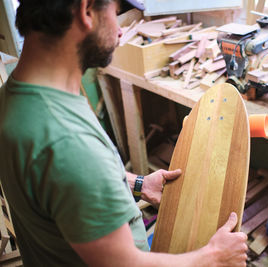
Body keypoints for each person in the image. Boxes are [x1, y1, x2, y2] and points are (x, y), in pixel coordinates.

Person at [0, 0, 248, 266]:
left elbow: (59, 186)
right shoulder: (69, 143)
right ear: (86, 10)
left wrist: (138, 184)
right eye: (116, 13)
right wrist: (213, 257)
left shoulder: (14, 97)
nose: (120, 30)